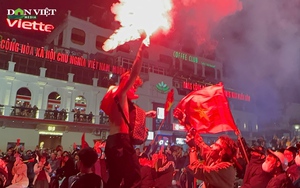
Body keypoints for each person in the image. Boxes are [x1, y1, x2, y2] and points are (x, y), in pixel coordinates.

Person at [100, 35, 156, 188]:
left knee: (115, 178)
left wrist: (146, 114)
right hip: (121, 140)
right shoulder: (121, 93)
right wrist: (141, 50)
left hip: (111, 141)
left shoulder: (117, 98)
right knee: (134, 176)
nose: (135, 88)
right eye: (134, 85)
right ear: (127, 83)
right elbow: (134, 72)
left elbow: (125, 115)